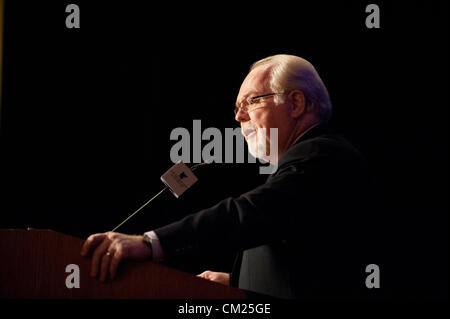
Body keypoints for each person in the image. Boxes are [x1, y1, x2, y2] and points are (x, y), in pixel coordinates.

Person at [81, 54, 375, 299]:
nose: (238, 117)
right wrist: (236, 282)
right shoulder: (303, 164)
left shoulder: (322, 155)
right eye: (236, 108)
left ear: (296, 103)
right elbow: (307, 257)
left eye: (251, 102)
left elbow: (248, 214)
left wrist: (150, 244)